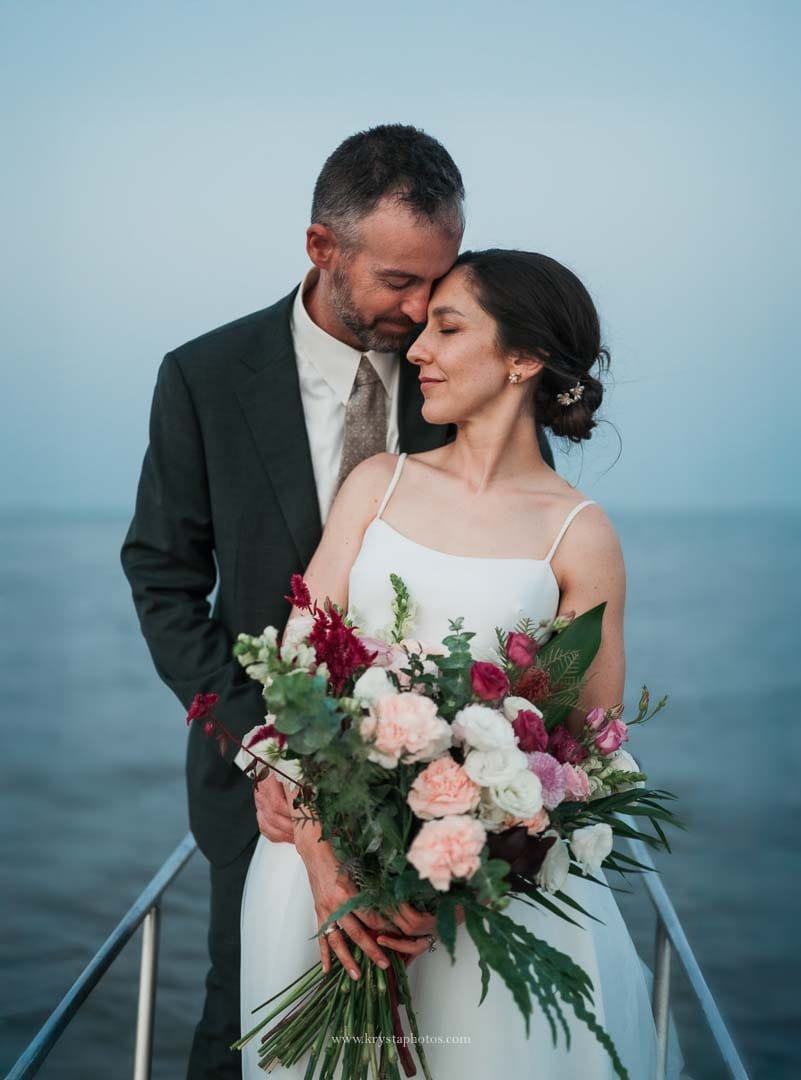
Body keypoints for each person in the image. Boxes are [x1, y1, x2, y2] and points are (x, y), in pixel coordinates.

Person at [122, 124, 555, 1078]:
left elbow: (523, 582)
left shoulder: (464, 381)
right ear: (322, 248)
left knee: (438, 1039)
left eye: (438, 286)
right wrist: (260, 748)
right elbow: (162, 577)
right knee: (246, 1029)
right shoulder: (201, 377)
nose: (420, 309)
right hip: (263, 803)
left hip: (448, 815)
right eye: (399, 282)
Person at [242, 250, 681, 1077]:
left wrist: (440, 883)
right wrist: (321, 860)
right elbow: (295, 680)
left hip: (478, 904)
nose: (416, 351)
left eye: (447, 328)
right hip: (317, 876)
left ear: (522, 360)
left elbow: (579, 754)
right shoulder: (376, 483)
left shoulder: (578, 533)